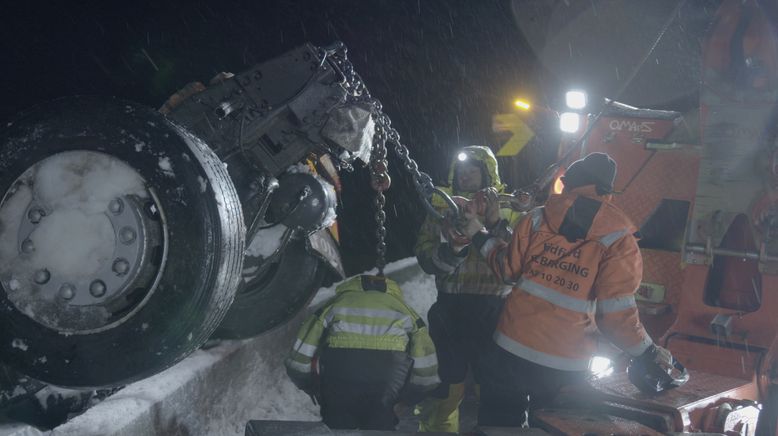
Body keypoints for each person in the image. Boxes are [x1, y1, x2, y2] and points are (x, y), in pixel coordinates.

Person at [460, 152, 680, 426]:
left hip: (510, 349)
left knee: (498, 428)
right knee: (555, 429)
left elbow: (507, 269)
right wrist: (647, 352)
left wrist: (476, 232)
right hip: (565, 364)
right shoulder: (620, 240)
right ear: (605, 192)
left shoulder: (537, 219)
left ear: (571, 183)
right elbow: (615, 316)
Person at [413, 145, 524, 433]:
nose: (465, 175)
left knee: (497, 386)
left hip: (497, 309)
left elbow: (519, 261)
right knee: (444, 386)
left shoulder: (512, 209)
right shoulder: (440, 208)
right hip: (450, 308)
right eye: (461, 170)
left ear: (487, 173)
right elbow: (426, 259)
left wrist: (495, 224)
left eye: (473, 170)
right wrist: (453, 249)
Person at [285, 274, 439, 430]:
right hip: (387, 384)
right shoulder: (406, 312)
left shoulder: (333, 306)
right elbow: (427, 374)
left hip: (339, 382)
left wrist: (312, 387)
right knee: (380, 426)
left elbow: (297, 362)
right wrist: (406, 401)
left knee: (338, 426)